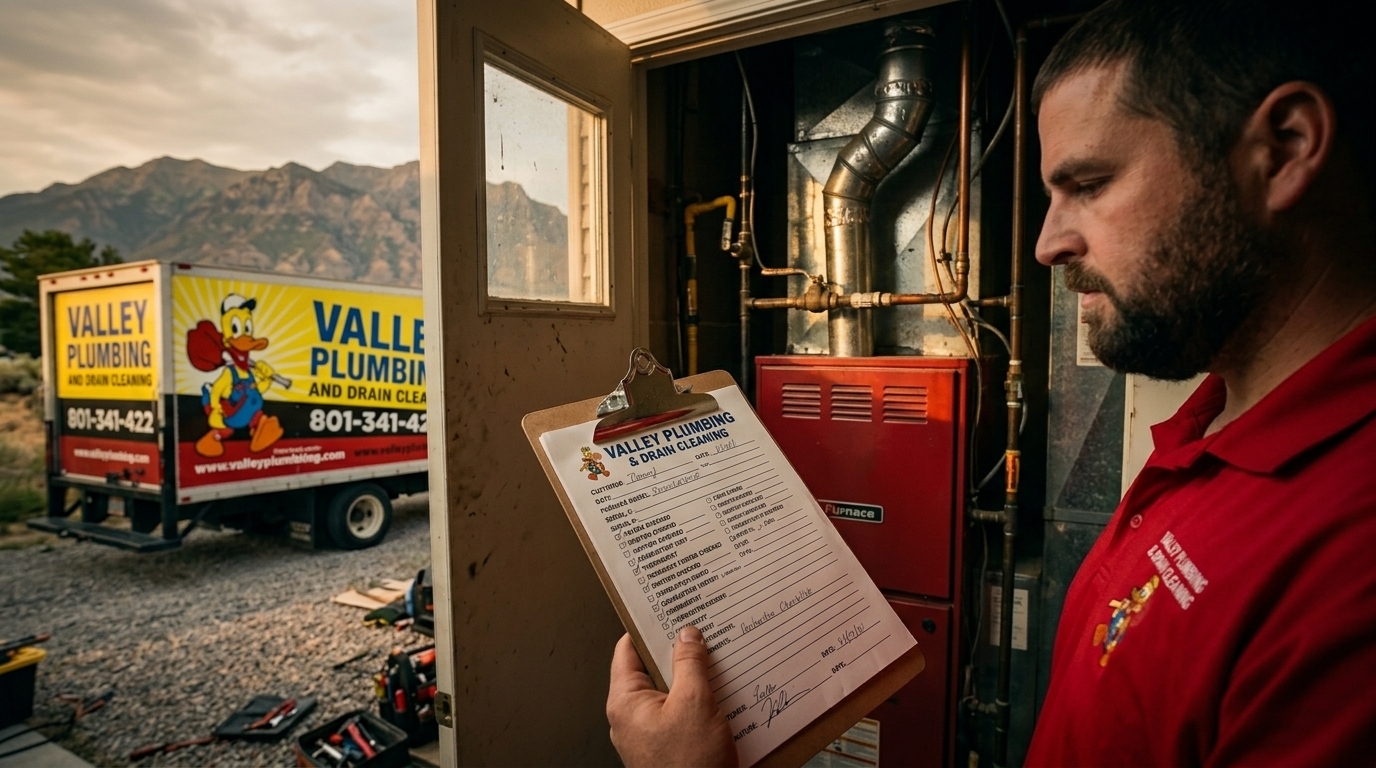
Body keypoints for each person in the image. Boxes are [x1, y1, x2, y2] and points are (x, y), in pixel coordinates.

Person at [605, 0, 1376, 765]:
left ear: (1285, 147)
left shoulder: (1349, 564)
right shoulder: (1213, 434)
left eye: (1091, 183)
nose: (1046, 244)